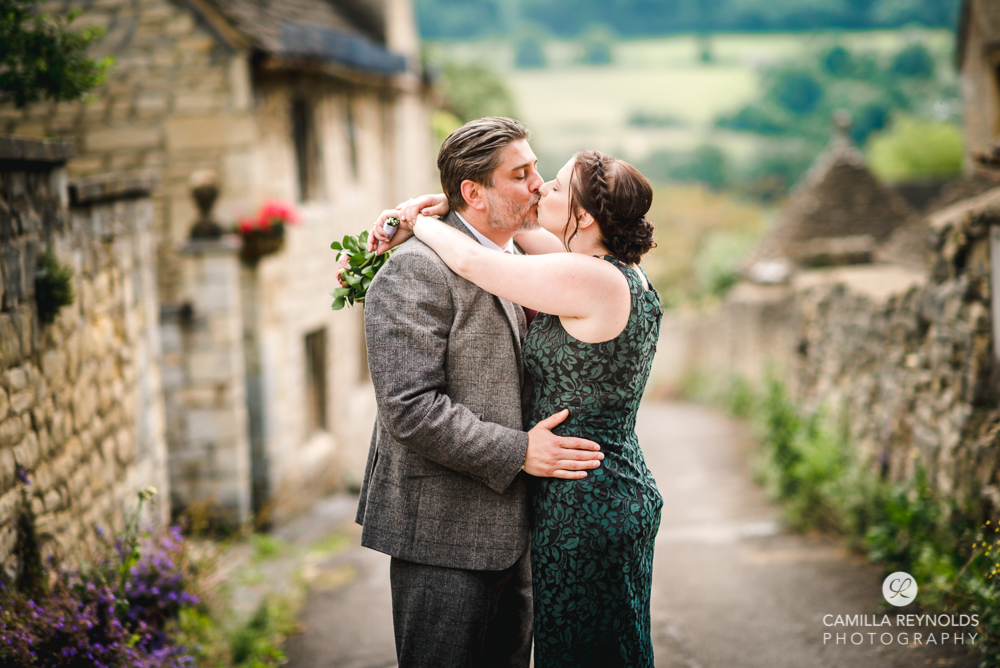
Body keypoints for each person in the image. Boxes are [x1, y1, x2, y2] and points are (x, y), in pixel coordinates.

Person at [371, 138, 664, 667]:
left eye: (552, 184)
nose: (539, 187)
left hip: (586, 502)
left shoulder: (588, 277)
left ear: (585, 216)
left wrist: (410, 221)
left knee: (586, 654)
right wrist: (444, 204)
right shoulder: (612, 269)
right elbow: (510, 229)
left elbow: (468, 258)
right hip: (605, 487)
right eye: (530, 176)